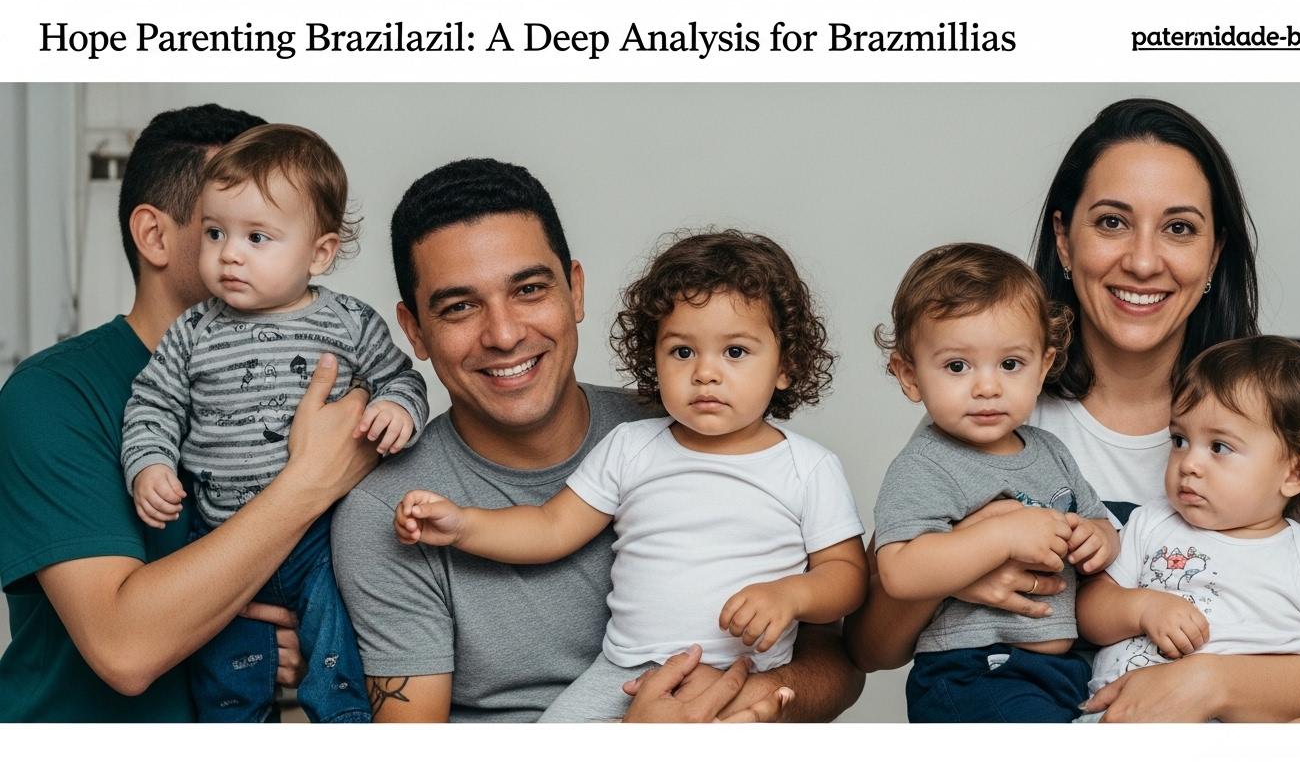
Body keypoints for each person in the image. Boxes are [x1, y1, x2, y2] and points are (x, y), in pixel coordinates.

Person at [844, 97, 1300, 722]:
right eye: (1112, 222)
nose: (1144, 261)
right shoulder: (996, 414)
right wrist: (963, 566)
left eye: (1179, 228)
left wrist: (1209, 684)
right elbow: (870, 648)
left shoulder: (1284, 423)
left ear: (1214, 254)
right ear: (1064, 241)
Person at [331, 158, 865, 722]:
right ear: (414, 329)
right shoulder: (390, 513)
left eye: (529, 289)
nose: (505, 334)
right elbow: (550, 527)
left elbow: (833, 658)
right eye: (460, 306)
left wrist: (754, 706)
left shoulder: (698, 426)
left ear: (575, 290)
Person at [0, 105, 379, 721]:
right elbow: (126, 646)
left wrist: (310, 643)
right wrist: (310, 480)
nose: (245, 250)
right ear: (155, 236)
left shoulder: (322, 367)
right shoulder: (52, 395)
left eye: (267, 230)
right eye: (216, 228)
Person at [119, 123, 429, 722]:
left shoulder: (349, 323)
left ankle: (342, 721)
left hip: (324, 537)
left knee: (338, 643)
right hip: (222, 537)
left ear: (319, 252)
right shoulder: (193, 331)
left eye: (257, 237)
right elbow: (152, 403)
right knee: (228, 672)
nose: (229, 253)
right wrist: (149, 463)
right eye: (214, 233)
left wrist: (396, 410)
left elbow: (402, 379)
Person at [1076, 336, 1300, 722]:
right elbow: (1088, 613)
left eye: (1219, 447)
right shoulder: (1151, 524)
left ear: (1297, 471)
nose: (1189, 463)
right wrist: (1141, 607)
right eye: (1180, 440)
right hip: (1117, 719)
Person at [871, 243, 1117, 722]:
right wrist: (999, 536)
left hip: (1059, 673)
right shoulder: (926, 464)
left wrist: (1098, 538)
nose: (987, 387)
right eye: (957, 366)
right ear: (909, 375)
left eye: (1010, 364)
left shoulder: (1049, 451)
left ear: (1043, 366)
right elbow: (899, 572)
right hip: (972, 673)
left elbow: (1097, 523)